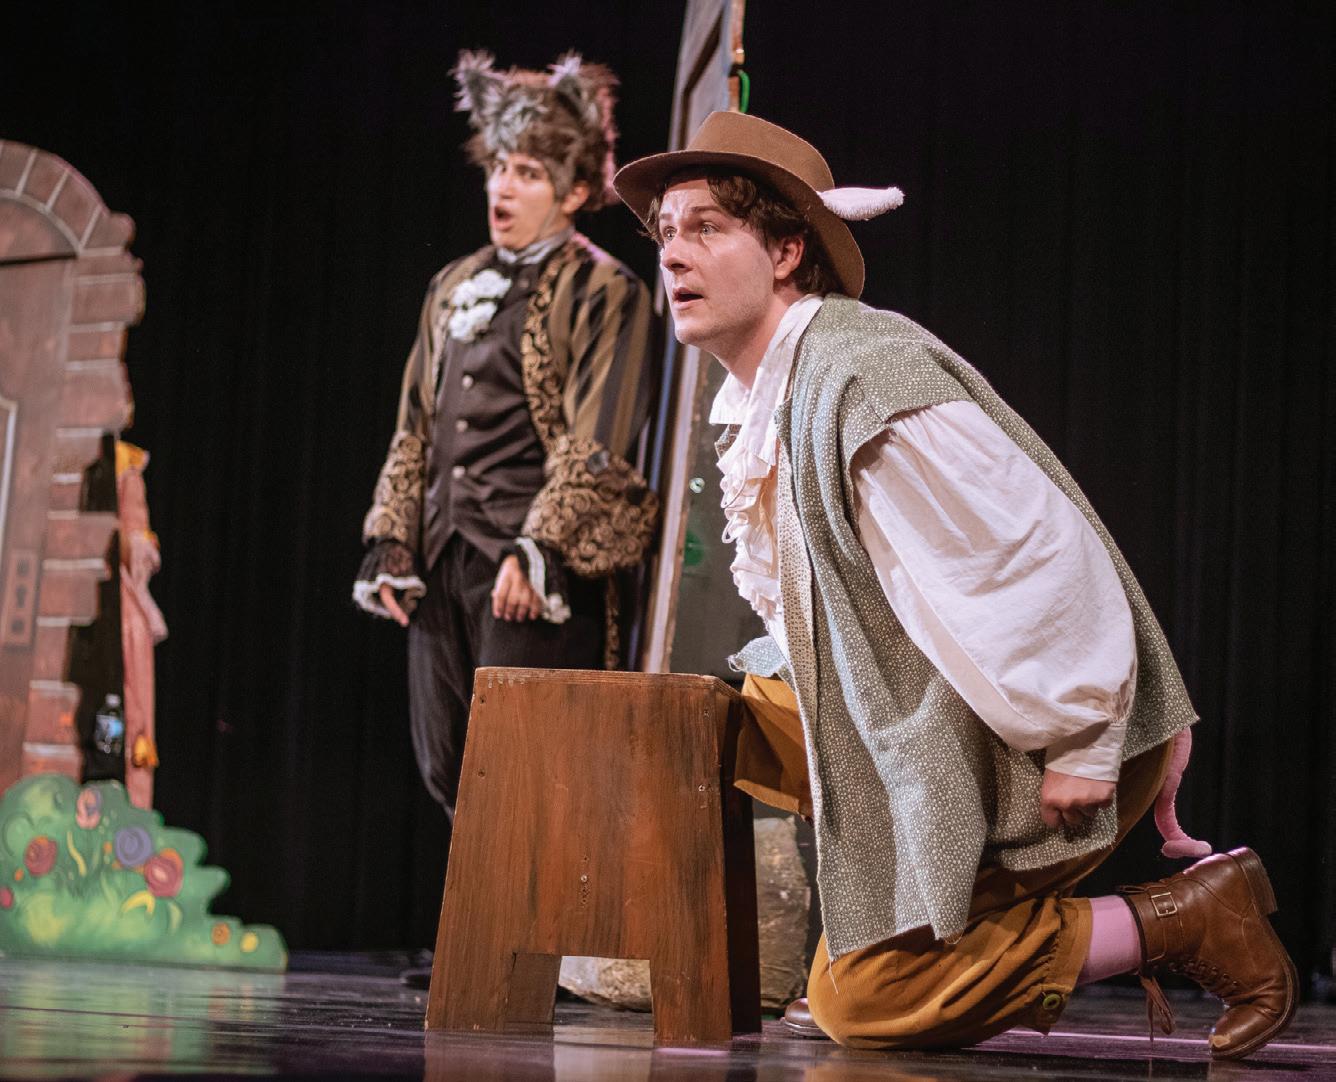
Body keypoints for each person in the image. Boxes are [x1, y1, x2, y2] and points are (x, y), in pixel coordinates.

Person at [614, 111, 1295, 1060]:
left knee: (865, 998)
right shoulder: (784, 389)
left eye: (706, 228)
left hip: (1042, 737)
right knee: (697, 720)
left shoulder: (859, 376)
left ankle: (1189, 918)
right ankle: (867, 920)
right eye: (666, 233)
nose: (673, 254)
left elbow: (1033, 556)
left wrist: (1086, 732)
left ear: (786, 251)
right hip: (947, 721)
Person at [355, 51, 657, 829]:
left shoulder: (605, 289)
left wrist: (541, 549)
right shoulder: (452, 285)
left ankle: (528, 916)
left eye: (526, 173)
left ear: (575, 189)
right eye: (498, 168)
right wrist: (393, 540)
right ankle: (481, 912)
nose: (502, 188)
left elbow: (599, 439)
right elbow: (414, 426)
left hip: (529, 567)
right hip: (444, 557)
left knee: (528, 772)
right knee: (445, 761)